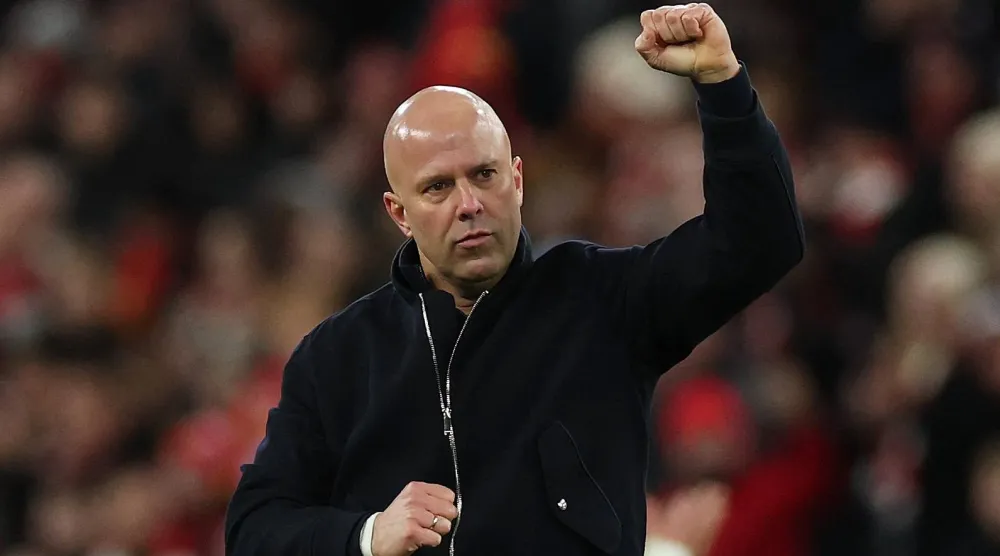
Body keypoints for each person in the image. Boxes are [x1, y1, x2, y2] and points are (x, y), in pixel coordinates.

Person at [224, 4, 805, 556]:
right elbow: (255, 529)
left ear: (517, 181)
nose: (469, 204)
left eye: (484, 175)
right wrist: (369, 535)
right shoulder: (339, 355)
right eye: (437, 187)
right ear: (399, 213)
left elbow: (759, 241)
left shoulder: (602, 297)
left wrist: (723, 84)